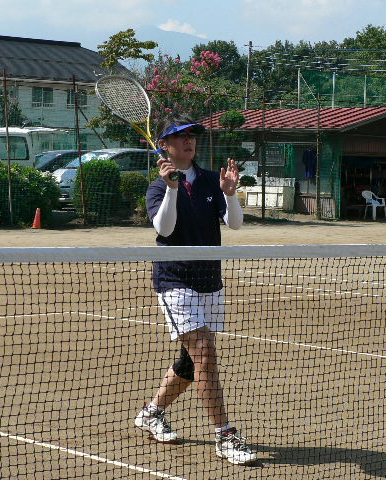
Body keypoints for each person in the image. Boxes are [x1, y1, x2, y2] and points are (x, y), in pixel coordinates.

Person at [134, 113, 257, 465]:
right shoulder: (158, 187)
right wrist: (172, 188)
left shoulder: (209, 180)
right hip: (175, 280)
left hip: (209, 281)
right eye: (181, 136)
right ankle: (226, 436)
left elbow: (234, 224)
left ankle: (152, 412)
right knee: (204, 352)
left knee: (191, 363)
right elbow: (165, 229)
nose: (189, 141)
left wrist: (230, 195)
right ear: (165, 145)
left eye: (193, 136)